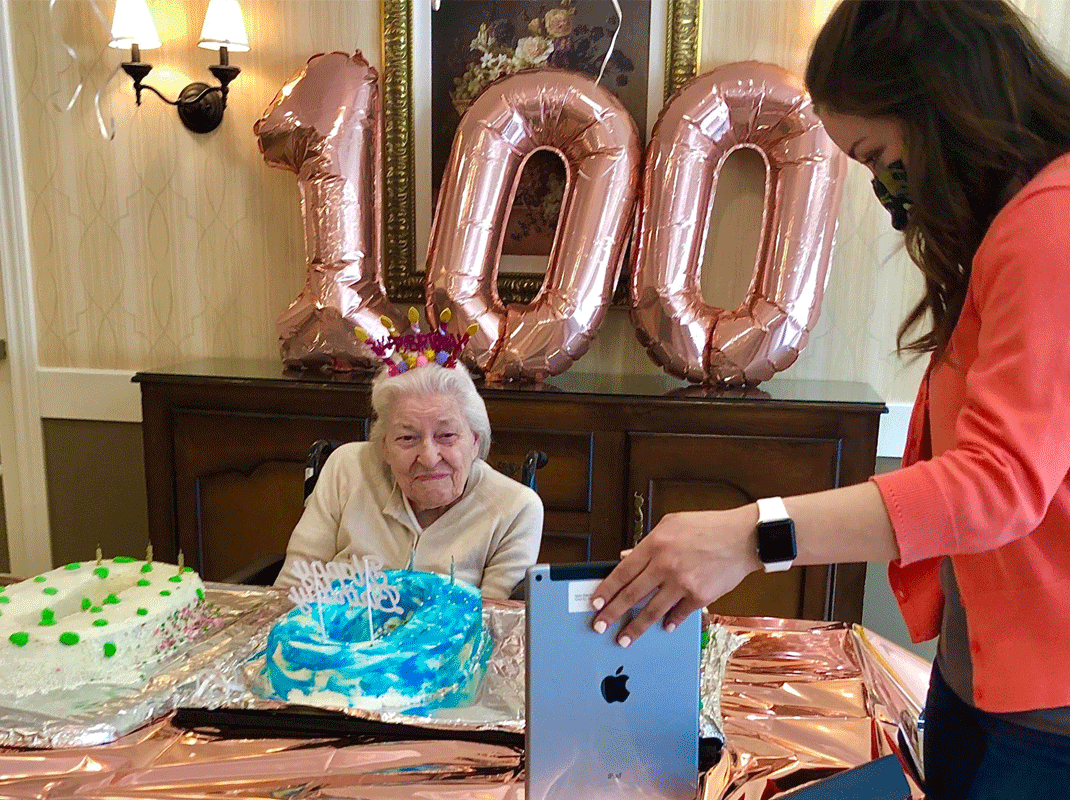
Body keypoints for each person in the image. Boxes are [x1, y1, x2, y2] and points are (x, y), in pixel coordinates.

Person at [590, 1, 1070, 796]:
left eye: (880, 154)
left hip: (1044, 716)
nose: (890, 195)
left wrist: (753, 535)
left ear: (944, 101)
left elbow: (996, 483)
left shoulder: (1050, 225)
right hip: (989, 678)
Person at [275, 361, 544, 599]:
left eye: (447, 435)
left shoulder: (516, 508)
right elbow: (291, 589)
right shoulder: (346, 469)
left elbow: (492, 625)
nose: (428, 457)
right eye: (407, 438)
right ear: (385, 446)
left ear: (474, 441)